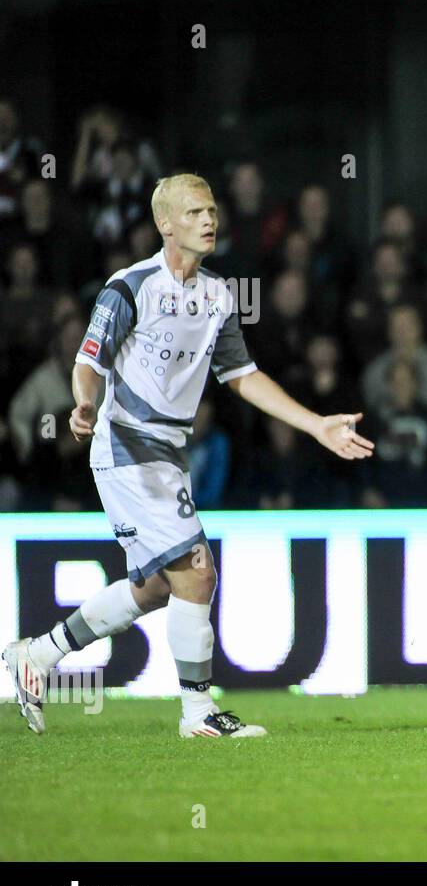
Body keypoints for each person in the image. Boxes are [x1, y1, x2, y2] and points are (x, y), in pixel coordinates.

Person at [1, 173, 374, 739]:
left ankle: (41, 654)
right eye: (197, 212)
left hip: (167, 453)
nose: (209, 220)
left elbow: (243, 378)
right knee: (197, 572)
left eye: (213, 211)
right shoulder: (129, 288)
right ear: (165, 223)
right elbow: (88, 360)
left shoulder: (220, 296)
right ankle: (198, 715)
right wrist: (83, 403)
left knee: (156, 587)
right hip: (127, 444)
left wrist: (316, 424)